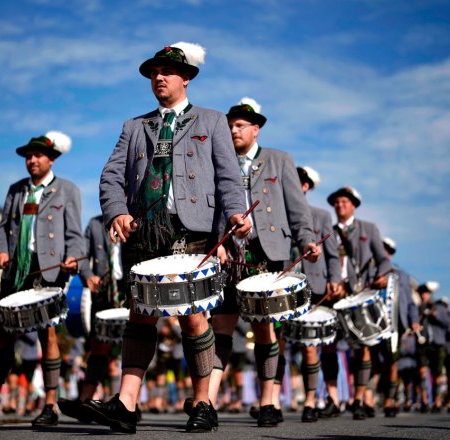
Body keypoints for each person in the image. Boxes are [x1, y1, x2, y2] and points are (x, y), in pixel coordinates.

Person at [89, 41, 252, 433]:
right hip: (144, 230)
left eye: (166, 71)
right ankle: (126, 404)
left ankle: (203, 402)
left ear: (186, 77)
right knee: (140, 315)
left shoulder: (212, 121)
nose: (158, 77)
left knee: (193, 319)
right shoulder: (134, 126)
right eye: (152, 73)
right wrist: (118, 211)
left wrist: (234, 214)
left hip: (192, 229)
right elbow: (111, 176)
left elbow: (229, 177)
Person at [0, 131, 85, 428]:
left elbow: (75, 234)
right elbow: (1, 229)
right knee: (4, 335)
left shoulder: (67, 190)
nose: (32, 160)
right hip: (15, 271)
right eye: (28, 156)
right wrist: (1, 251)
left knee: (47, 335)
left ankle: (50, 405)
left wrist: (74, 257)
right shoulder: (15, 190)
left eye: (37, 155)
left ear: (52, 159)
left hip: (48, 270)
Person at [202, 98, 319, 427]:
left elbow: (298, 209)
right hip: (228, 254)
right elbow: (211, 209)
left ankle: (268, 401)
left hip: (266, 252)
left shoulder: (279, 160)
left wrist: (307, 240)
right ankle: (207, 400)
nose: (233, 129)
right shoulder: (217, 160)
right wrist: (215, 242)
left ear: (256, 129)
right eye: (230, 124)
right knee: (221, 326)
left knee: (264, 327)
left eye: (240, 125)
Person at [278, 166, 342, 423]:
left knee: (310, 347)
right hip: (282, 287)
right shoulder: (277, 213)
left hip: (314, 287)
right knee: (276, 344)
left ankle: (311, 400)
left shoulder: (321, 215)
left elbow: (333, 255)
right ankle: (271, 399)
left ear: (305, 187)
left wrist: (335, 279)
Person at [328, 186, 392, 420]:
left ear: (353, 204)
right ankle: (333, 399)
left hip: (359, 293)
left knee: (362, 347)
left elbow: (383, 261)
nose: (340, 205)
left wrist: (382, 276)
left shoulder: (368, 228)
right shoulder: (329, 230)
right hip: (335, 294)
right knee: (329, 346)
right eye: (336, 202)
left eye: (345, 201)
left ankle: (359, 397)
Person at [59, 214, 123, 422]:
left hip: (127, 290)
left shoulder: (135, 216)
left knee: (124, 351)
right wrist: (88, 275)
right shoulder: (95, 224)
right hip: (103, 291)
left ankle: (123, 402)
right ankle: (85, 401)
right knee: (98, 346)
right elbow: (83, 254)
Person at [379, 237, 420, 416]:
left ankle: (389, 400)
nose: (384, 253)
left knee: (392, 362)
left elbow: (410, 303)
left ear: (390, 253)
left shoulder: (401, 275)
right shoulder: (370, 270)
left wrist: (414, 320)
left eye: (387, 250)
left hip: (396, 324)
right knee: (373, 361)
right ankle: (365, 397)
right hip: (373, 323)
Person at [416, 281, 450, 412]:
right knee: (422, 372)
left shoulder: (439, 307)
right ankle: (424, 401)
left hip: (437, 344)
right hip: (423, 343)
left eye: (425, 293)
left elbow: (447, 323)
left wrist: (436, 315)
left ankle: (437, 401)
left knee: (438, 374)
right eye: (421, 294)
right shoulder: (418, 307)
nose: (423, 296)